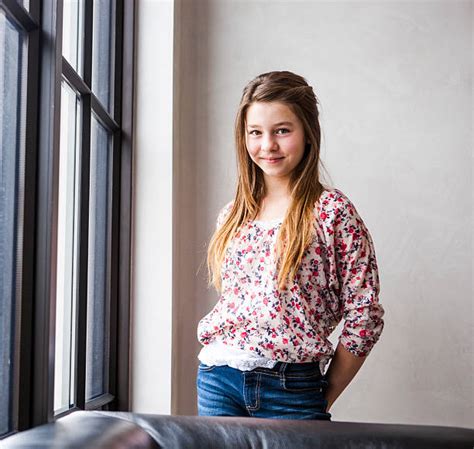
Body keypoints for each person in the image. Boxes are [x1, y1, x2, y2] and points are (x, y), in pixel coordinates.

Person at [196, 70, 385, 420]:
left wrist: (323, 394)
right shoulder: (233, 215)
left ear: (308, 133)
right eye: (255, 133)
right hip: (216, 378)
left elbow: (365, 316)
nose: (267, 145)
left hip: (290, 386)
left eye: (282, 130)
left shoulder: (332, 212)